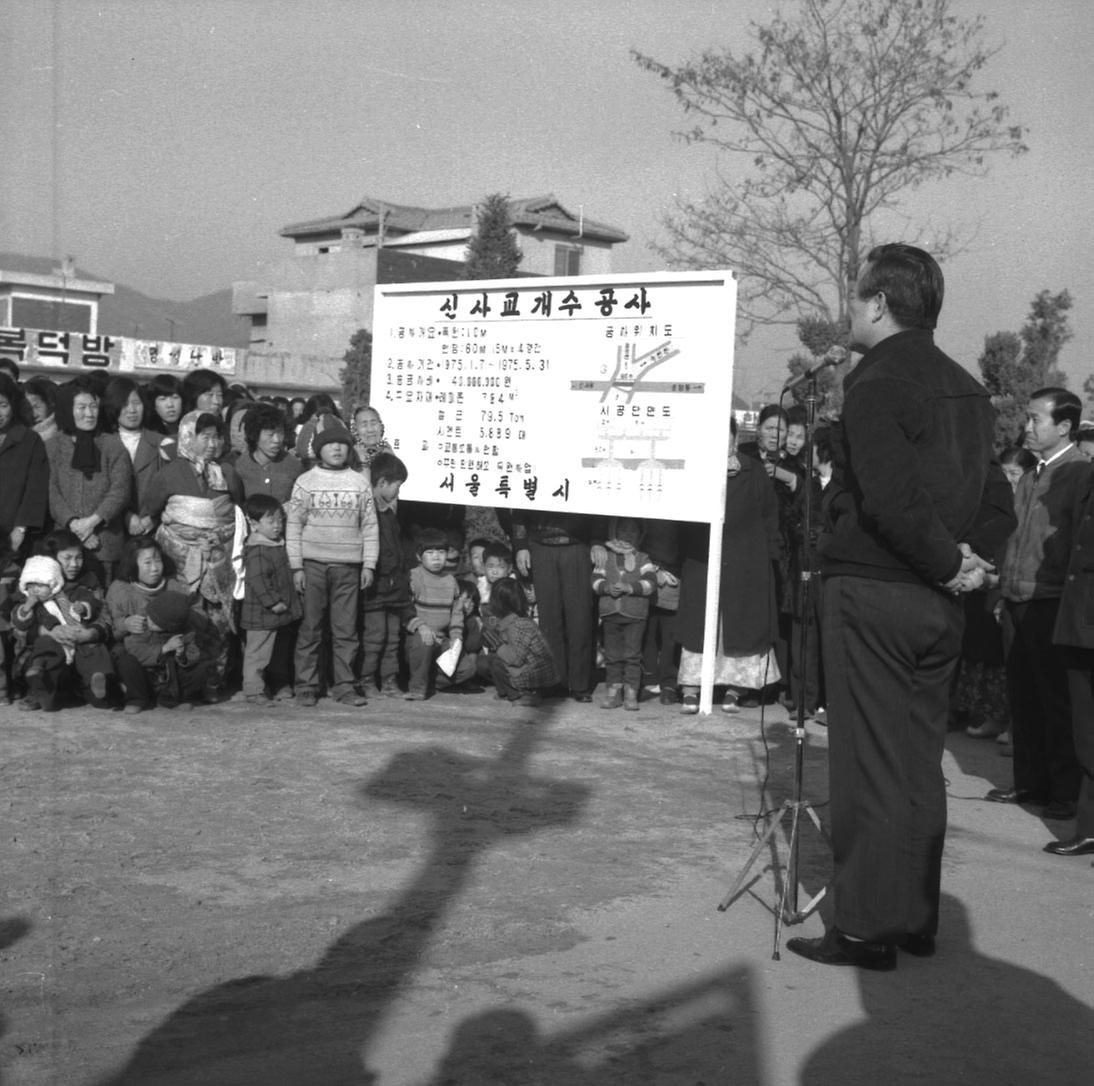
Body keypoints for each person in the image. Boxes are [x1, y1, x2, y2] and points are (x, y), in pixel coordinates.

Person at [787, 243, 1014, 971]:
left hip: (878, 592)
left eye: (855, 300)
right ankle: (915, 918)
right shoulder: (968, 390)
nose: (849, 312)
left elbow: (887, 498)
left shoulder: (877, 381)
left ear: (879, 305)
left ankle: (864, 928)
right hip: (939, 607)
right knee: (918, 762)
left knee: (869, 766)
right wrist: (968, 562)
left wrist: (950, 564)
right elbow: (996, 500)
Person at [986, 388, 1089, 820]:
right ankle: (1030, 784)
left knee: (1056, 702)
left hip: (1051, 603)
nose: (1026, 427)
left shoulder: (1081, 475)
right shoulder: (1029, 475)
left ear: (1064, 427)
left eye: (1035, 420)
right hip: (1015, 600)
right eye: (1027, 419)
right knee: (1023, 697)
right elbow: (1013, 538)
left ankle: (1064, 795)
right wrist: (999, 590)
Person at [676, 416, 782, 715]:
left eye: (726, 437)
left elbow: (769, 516)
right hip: (703, 558)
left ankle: (735, 690)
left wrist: (768, 556)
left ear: (735, 439)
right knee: (700, 623)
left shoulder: (754, 472)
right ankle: (691, 688)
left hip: (746, 561)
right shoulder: (695, 470)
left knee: (739, 625)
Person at [287, 422, 377, 708]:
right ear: (318, 449)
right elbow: (293, 526)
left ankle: (345, 686)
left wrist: (369, 565)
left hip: (349, 568)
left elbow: (370, 527)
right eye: (330, 443)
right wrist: (296, 566)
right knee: (310, 629)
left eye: (342, 443)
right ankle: (306, 686)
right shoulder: (305, 481)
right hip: (312, 565)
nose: (337, 448)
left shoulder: (360, 482)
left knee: (346, 632)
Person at [142, 411, 244, 628]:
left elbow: (238, 508)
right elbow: (151, 507)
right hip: (178, 557)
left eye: (216, 437)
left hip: (219, 556)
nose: (212, 443)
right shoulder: (169, 473)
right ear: (188, 436)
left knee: (219, 623)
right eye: (205, 436)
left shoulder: (227, 472)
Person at [46, 380, 134, 585]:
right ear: (68, 409)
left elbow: (120, 490)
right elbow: (52, 491)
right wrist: (76, 527)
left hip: (105, 540)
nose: (89, 413)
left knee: (99, 599)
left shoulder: (113, 444)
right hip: (65, 542)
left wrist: (92, 522)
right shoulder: (53, 446)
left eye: (93, 407)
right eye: (82, 407)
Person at [11, 554, 114, 711]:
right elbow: (20, 623)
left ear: (53, 583)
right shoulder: (33, 604)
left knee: (95, 650)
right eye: (31, 586)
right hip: (55, 645)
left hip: (78, 636)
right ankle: (39, 674)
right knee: (45, 645)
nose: (35, 590)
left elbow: (94, 605)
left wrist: (83, 607)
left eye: (41, 585)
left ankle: (98, 677)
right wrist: (28, 606)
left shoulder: (77, 592)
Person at [238, 493, 301, 705]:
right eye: (270, 521)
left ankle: (279, 685)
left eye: (280, 520)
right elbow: (258, 581)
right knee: (258, 654)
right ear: (254, 524)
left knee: (279, 652)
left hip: (280, 613)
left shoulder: (276, 544)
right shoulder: (257, 549)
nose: (277, 525)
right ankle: (254, 690)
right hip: (262, 612)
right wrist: (273, 602)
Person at [115, 589, 222, 711]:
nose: (150, 622)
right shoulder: (142, 624)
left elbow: (193, 654)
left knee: (203, 668)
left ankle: (171, 700)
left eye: (156, 624)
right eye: (150, 617)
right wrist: (164, 648)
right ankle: (137, 700)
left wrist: (181, 654)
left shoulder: (186, 631)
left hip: (171, 681)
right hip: (146, 677)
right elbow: (133, 649)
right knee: (126, 662)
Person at [592, 517, 657, 710]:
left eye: (633, 531)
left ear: (640, 535)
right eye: (623, 530)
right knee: (612, 656)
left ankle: (631, 692)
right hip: (610, 614)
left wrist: (630, 587)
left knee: (632, 656)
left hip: (635, 615)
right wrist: (606, 587)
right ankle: (613, 692)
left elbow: (651, 583)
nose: (627, 535)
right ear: (614, 532)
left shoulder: (643, 558)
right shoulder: (605, 557)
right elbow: (595, 580)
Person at [360, 452, 410, 698]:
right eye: (396, 486)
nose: (398, 492)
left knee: (392, 638)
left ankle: (389, 680)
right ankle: (367, 678)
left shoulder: (390, 516)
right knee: (375, 637)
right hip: (375, 590)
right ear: (381, 484)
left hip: (395, 591)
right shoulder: (367, 515)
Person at [101, 375, 171, 536]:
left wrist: (152, 518)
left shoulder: (162, 443)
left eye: (136, 403)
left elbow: (171, 488)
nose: (132, 410)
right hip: (112, 529)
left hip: (152, 529)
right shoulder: (103, 443)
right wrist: (126, 516)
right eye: (124, 404)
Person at [404, 527, 464, 701]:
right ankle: (417, 687)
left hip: (441, 640)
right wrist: (420, 627)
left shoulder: (451, 580)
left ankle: (431, 680)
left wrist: (455, 637)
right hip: (418, 637)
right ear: (418, 556)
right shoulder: (414, 576)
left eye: (441, 552)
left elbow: (457, 613)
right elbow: (404, 609)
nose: (436, 557)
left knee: (467, 668)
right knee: (424, 643)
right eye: (430, 552)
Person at [482, 577, 559, 707]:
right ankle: (505, 692)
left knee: (496, 661)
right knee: (491, 658)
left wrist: (498, 644)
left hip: (537, 674)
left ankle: (524, 694)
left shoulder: (519, 624)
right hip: (525, 666)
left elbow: (515, 659)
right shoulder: (509, 619)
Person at [0, 373, 49, 561]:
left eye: (3, 405)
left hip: (13, 536)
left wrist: (20, 528)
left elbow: (35, 489)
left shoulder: (29, 440)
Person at [233, 401, 303, 507]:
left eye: (280, 433)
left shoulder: (294, 466)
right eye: (270, 435)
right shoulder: (240, 466)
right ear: (255, 435)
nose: (277, 440)